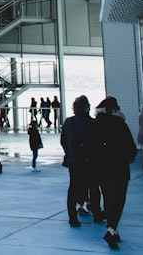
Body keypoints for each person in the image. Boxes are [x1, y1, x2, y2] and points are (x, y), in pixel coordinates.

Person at [93, 97, 137, 249]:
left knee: (108, 199)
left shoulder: (95, 125)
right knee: (119, 200)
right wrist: (129, 158)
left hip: (101, 169)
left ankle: (113, 230)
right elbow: (131, 147)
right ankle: (111, 229)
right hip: (119, 168)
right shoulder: (120, 124)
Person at [61, 95, 97, 227]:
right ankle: (96, 212)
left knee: (73, 187)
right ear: (87, 108)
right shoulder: (93, 123)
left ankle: (72, 217)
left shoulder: (69, 122)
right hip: (89, 160)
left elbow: (64, 141)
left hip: (74, 159)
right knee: (93, 186)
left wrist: (69, 152)